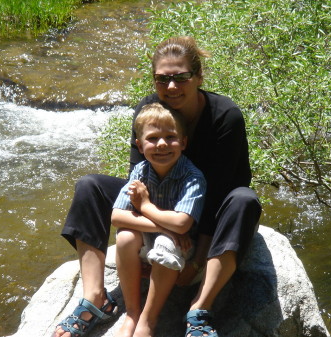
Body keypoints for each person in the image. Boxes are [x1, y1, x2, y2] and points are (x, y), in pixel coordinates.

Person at [53, 36, 262, 337]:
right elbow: (137, 186)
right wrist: (156, 233)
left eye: (181, 77)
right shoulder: (149, 110)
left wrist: (196, 261)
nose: (172, 87)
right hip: (164, 213)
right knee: (90, 187)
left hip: (211, 215)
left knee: (245, 200)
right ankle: (95, 296)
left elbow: (218, 195)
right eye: (163, 79)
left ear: (198, 77)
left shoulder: (224, 117)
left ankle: (199, 309)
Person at [112, 102, 206, 337]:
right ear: (140, 146)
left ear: (183, 142)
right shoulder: (140, 171)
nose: (162, 144)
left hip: (182, 250)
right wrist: (168, 227)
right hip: (157, 241)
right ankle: (132, 313)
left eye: (170, 137)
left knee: (166, 242)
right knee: (124, 237)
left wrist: (145, 206)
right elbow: (116, 216)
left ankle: (148, 320)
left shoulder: (192, 177)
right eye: (153, 138)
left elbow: (183, 224)